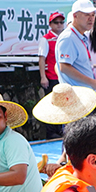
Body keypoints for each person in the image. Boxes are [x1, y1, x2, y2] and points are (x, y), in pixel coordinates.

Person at [37, 11, 65, 139]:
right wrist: (43, 77)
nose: (59, 25)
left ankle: (60, 129)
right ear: (50, 24)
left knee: (62, 105)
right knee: (51, 104)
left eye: (61, 22)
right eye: (56, 22)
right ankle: (51, 131)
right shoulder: (46, 39)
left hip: (62, 77)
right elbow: (42, 59)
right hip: (51, 77)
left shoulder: (64, 37)